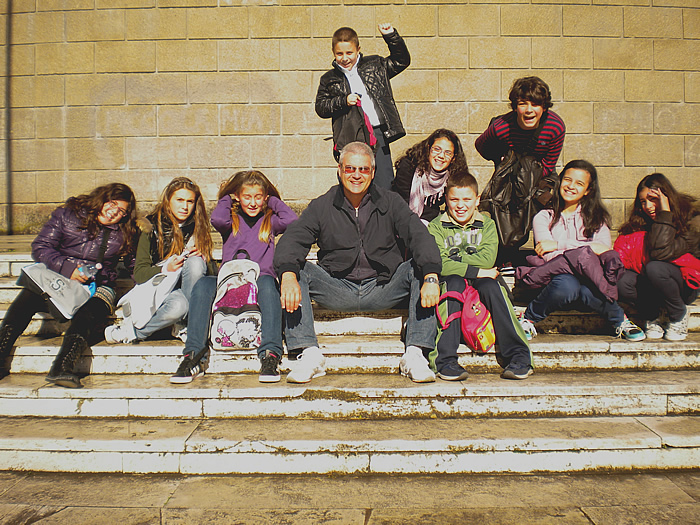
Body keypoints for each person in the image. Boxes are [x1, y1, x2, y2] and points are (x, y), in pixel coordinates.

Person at [274, 141, 442, 384]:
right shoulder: (322, 205)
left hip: (383, 287)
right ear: (340, 170)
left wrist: (431, 276)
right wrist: (288, 275)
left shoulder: (391, 202)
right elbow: (293, 240)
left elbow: (419, 236)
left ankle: (415, 353)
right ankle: (309, 354)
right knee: (295, 270)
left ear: (372, 173)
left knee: (421, 268)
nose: (356, 175)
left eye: (363, 169)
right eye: (350, 169)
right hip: (338, 287)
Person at [0, 183, 138, 388]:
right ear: (102, 198)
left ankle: (63, 366)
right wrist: (67, 268)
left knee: (93, 308)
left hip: (99, 284)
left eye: (121, 211)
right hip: (59, 277)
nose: (114, 212)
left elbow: (135, 264)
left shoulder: (126, 232)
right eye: (112, 204)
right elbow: (41, 246)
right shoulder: (68, 214)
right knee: (28, 296)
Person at [171, 171, 297, 384]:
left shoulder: (270, 221)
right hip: (229, 281)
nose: (253, 202)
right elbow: (217, 218)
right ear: (238, 197)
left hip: (259, 280)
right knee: (203, 284)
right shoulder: (232, 221)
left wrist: (272, 199)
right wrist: (229, 197)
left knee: (268, 282)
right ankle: (193, 355)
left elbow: (292, 220)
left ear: (264, 198)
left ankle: (270, 354)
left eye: (258, 197)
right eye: (247, 196)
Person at [517, 160, 645, 342]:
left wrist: (560, 244)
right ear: (560, 182)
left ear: (588, 190)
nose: (571, 186)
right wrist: (587, 249)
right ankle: (529, 319)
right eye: (567, 180)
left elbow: (603, 252)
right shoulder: (544, 217)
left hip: (589, 285)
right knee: (567, 284)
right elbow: (548, 256)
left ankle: (621, 321)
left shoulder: (597, 219)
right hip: (556, 284)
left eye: (579, 183)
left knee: (586, 289)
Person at [428, 170, 533, 380]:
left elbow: (488, 260)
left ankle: (519, 355)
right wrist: (476, 270)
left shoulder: (488, 225)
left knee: (491, 285)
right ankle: (445, 359)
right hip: (455, 284)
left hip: (484, 283)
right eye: (454, 199)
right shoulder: (436, 226)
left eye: (467, 199)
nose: (460, 205)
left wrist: (462, 265)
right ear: (446, 200)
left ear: (477, 200)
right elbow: (440, 264)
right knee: (453, 283)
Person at [104, 177, 213, 344]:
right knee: (179, 306)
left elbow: (206, 275)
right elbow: (139, 273)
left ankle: (188, 327)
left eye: (190, 201)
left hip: (185, 290)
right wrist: (165, 268)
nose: (185, 206)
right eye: (180, 200)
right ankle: (133, 332)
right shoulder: (150, 227)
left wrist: (203, 255)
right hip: (159, 292)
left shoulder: (198, 227)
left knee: (196, 263)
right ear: (168, 200)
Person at [315, 24, 410, 190]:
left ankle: (384, 215)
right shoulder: (329, 78)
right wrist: (343, 101)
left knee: (384, 183)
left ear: (358, 49)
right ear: (333, 53)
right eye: (339, 53)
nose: (345, 58)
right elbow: (321, 107)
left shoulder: (374, 65)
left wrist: (390, 36)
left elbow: (401, 61)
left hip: (377, 133)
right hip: (349, 135)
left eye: (349, 53)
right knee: (352, 183)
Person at [615, 174, 699, 341]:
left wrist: (665, 213)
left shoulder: (692, 221)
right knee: (621, 279)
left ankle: (678, 314)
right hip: (652, 284)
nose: (648, 206)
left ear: (667, 197)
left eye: (654, 200)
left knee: (655, 267)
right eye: (643, 202)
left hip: (683, 285)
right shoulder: (641, 222)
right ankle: (653, 315)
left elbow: (660, 253)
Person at [475, 76, 565, 178]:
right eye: (523, 104)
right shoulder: (501, 127)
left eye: (535, 105)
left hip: (540, 176)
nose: (529, 110)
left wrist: (527, 180)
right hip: (509, 177)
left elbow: (548, 166)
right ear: (515, 107)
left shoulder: (555, 127)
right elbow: (481, 145)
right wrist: (499, 158)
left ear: (544, 107)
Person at [392, 129, 469, 224]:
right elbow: (403, 201)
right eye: (437, 149)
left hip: (429, 222)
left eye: (448, 153)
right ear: (429, 149)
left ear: (453, 158)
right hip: (399, 217)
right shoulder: (408, 166)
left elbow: (456, 205)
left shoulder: (453, 175)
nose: (441, 156)